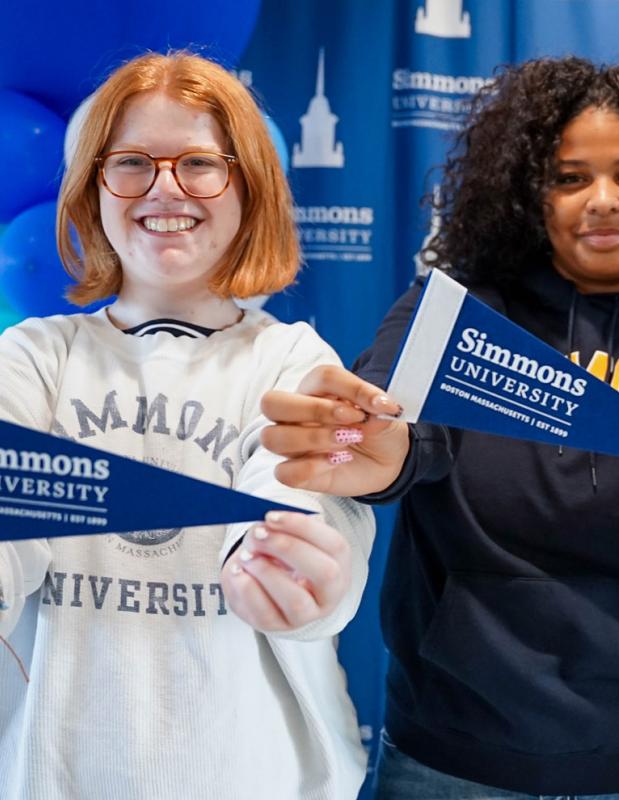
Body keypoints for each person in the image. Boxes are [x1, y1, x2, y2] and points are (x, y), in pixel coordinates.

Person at [259, 57, 619, 798]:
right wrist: (374, 453)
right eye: (569, 177)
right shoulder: (453, 317)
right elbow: (401, 433)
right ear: (529, 194)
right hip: (449, 763)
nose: (602, 201)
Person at [0, 52, 373, 799]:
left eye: (199, 163)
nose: (164, 188)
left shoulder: (294, 359)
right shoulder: (33, 359)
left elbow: (310, 512)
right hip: (57, 773)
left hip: (251, 775)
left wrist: (301, 578)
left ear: (248, 188)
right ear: (92, 189)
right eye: (132, 162)